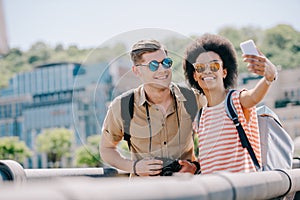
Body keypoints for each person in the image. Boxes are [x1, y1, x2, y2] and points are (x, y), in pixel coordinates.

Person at [100, 39, 204, 177]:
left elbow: (218, 140)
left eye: (166, 63)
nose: (163, 70)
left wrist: (196, 166)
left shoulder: (193, 98)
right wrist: (134, 167)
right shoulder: (122, 106)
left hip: (187, 191)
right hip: (144, 193)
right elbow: (106, 149)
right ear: (137, 71)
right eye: (153, 65)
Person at [183, 34, 278, 174]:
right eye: (200, 67)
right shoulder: (200, 116)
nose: (207, 70)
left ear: (224, 72)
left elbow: (253, 97)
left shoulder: (235, 100)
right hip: (216, 192)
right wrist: (195, 167)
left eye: (214, 65)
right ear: (195, 76)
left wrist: (269, 77)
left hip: (244, 191)